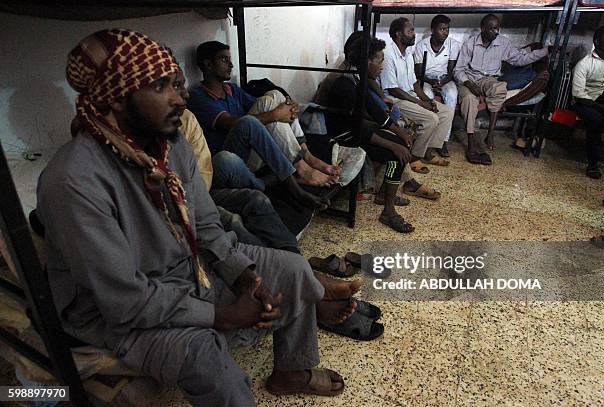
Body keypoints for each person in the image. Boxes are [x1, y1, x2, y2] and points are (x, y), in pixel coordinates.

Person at [37, 29, 363, 405]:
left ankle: (290, 371)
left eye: (177, 83)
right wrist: (221, 316)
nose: (180, 98)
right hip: (121, 313)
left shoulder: (169, 146)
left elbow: (206, 224)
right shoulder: (73, 181)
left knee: (290, 268)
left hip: (185, 271)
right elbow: (124, 300)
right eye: (162, 87)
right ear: (115, 99)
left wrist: (244, 275)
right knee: (204, 354)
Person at [188, 41, 340, 190]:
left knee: (274, 96)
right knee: (269, 111)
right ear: (208, 65)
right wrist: (276, 114)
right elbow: (232, 123)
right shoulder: (198, 97)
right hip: (235, 160)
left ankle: (306, 155)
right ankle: (301, 168)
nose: (231, 65)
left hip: (256, 150)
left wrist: (285, 108)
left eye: (230, 59)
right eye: (224, 59)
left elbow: (264, 105)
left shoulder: (231, 89)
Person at [326, 36, 418, 233]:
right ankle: (388, 211)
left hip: (358, 131)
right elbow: (356, 128)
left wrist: (401, 132)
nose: (382, 65)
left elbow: (377, 113)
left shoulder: (356, 78)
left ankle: (385, 193)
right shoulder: (345, 84)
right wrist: (393, 144)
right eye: (380, 60)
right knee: (396, 155)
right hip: (343, 138)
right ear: (368, 61)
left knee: (402, 141)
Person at [181, 107, 300, 252]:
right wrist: (274, 114)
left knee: (256, 198)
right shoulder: (200, 98)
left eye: (180, 85)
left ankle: (294, 255)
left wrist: (282, 110)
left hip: (204, 186)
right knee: (230, 220)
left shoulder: (185, 117)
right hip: (187, 200)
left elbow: (203, 173)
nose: (183, 94)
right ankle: (276, 261)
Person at [454, 14, 549, 163]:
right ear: (483, 28)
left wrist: (546, 51)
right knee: (468, 100)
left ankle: (490, 133)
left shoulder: (502, 43)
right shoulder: (470, 44)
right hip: (469, 78)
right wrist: (468, 83)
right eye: (492, 29)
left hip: (488, 79)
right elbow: (458, 70)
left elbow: (520, 59)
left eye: (497, 28)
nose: (496, 32)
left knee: (499, 88)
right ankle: (471, 143)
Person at [380, 17, 454, 174]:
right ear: (399, 34)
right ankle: (414, 157)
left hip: (410, 96)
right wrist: (421, 104)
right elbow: (393, 89)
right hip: (397, 100)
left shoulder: (407, 53)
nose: (414, 34)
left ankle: (427, 151)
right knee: (431, 119)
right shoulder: (388, 54)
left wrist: (428, 100)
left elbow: (414, 83)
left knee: (446, 112)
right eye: (410, 31)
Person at [414, 14, 461, 158]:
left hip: (444, 79)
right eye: (442, 29)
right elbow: (418, 71)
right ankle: (429, 138)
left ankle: (443, 141)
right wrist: (429, 81)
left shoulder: (453, 44)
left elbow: (452, 71)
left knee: (452, 95)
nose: (445, 32)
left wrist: (442, 82)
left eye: (447, 29)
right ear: (433, 30)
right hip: (426, 79)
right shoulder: (422, 45)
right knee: (427, 97)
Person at [572, 24, 604, 179]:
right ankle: (593, 164)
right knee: (595, 120)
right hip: (587, 101)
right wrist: (603, 109)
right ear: (596, 40)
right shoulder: (585, 63)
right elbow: (578, 94)